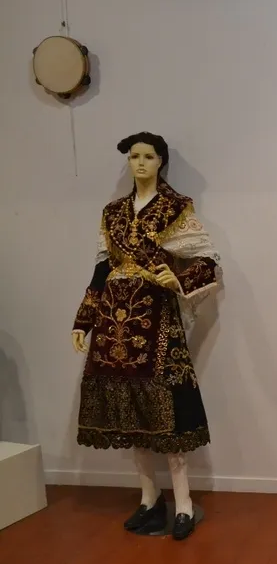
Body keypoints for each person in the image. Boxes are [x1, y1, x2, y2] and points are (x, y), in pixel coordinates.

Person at [71, 131, 221, 541]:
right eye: (134, 157)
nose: (139, 163)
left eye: (148, 156)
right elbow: (102, 268)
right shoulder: (113, 213)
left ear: (160, 161)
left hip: (155, 318)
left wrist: (179, 278)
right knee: (130, 416)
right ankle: (149, 499)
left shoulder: (175, 207)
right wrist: (84, 320)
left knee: (167, 414)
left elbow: (207, 258)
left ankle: (184, 503)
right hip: (113, 323)